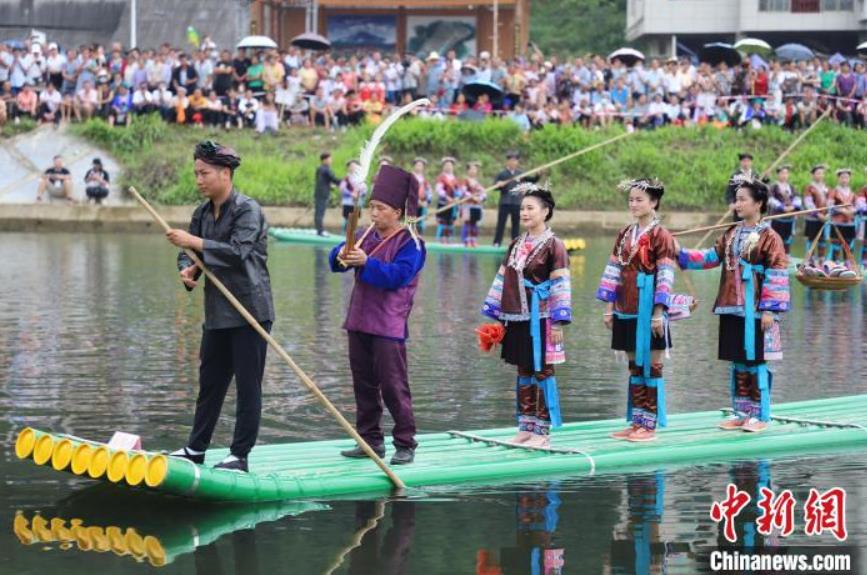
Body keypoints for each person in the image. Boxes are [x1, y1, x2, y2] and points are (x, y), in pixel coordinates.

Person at [167, 141, 274, 473]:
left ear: (225, 174)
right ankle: (196, 448)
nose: (198, 180)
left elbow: (235, 252)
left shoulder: (247, 210)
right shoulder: (201, 213)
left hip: (249, 311)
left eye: (205, 173)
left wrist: (192, 243)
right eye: (196, 173)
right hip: (217, 312)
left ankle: (239, 455)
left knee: (247, 386)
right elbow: (191, 253)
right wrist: (188, 268)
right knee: (210, 382)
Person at [329, 164, 427, 465]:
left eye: (380, 208)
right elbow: (336, 260)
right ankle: (370, 441)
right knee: (363, 385)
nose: (373, 213)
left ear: (397, 212)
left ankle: (405, 442)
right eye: (371, 207)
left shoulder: (413, 244)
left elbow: (396, 277)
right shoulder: (365, 234)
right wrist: (341, 255)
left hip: (388, 326)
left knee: (393, 386)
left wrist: (366, 262)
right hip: (358, 321)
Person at [677, 176, 789, 433]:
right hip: (730, 305)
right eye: (735, 200)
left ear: (758, 203)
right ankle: (742, 412)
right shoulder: (730, 233)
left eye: (742, 200)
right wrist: (680, 253)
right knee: (738, 361)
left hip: (757, 309)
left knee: (755, 361)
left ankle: (760, 415)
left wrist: (770, 309)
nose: (736, 205)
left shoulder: (770, 237)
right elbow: (709, 258)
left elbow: (778, 272)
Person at [481, 183, 571, 447]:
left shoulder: (555, 245)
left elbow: (560, 284)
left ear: (545, 212)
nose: (524, 213)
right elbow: (502, 278)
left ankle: (542, 431)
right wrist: (497, 315)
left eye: (530, 208)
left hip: (542, 316)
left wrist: (558, 320)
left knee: (542, 370)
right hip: (517, 316)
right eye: (522, 208)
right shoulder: (516, 244)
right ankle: (526, 425)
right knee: (523, 369)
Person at [597, 179, 677, 443]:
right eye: (630, 199)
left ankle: (649, 424)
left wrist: (658, 312)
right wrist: (610, 307)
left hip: (649, 307)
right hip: (625, 305)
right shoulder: (624, 234)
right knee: (634, 366)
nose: (633, 204)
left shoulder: (661, 235)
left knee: (651, 367)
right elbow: (613, 271)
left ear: (653, 202)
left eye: (639, 199)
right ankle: (636, 421)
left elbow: (665, 274)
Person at [492, 151, 540, 246]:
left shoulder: (520, 174)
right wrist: (499, 185)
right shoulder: (502, 174)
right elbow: (495, 187)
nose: (513, 162)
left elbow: (532, 180)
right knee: (501, 224)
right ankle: (497, 243)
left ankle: (515, 243)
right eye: (511, 160)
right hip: (505, 202)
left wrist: (538, 175)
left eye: (515, 160)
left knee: (516, 225)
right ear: (508, 162)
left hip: (517, 203)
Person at [767, 165, 802, 254]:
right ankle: (774, 259)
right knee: (775, 239)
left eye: (786, 173)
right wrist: (782, 207)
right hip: (777, 217)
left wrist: (793, 207)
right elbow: (770, 199)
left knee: (787, 240)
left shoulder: (791, 187)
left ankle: (786, 258)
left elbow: (798, 198)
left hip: (789, 218)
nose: (784, 175)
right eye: (782, 173)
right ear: (778, 174)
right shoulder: (773, 186)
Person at [826, 168, 857, 262]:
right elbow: (830, 206)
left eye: (847, 178)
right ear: (838, 179)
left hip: (849, 223)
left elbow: (857, 206)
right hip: (837, 223)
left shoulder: (852, 193)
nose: (844, 180)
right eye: (842, 177)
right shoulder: (833, 192)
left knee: (848, 245)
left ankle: (847, 266)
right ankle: (833, 264)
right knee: (835, 246)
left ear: (849, 179)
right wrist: (842, 210)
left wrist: (853, 210)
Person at [803, 164, 829, 262]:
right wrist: (818, 215)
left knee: (822, 241)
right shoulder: (809, 188)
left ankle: (822, 261)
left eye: (822, 173)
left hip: (824, 219)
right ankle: (810, 261)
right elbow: (808, 203)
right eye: (818, 173)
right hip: (813, 219)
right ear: (813, 175)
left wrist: (828, 214)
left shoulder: (827, 188)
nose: (820, 175)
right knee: (811, 240)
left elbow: (830, 202)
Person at [460, 161, 486, 247]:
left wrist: (480, 198)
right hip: (468, 205)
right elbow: (463, 191)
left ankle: (473, 240)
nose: (473, 171)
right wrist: (472, 197)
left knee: (474, 223)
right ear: (468, 171)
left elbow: (484, 193)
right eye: (471, 169)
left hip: (476, 206)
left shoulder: (478, 183)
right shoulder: (465, 181)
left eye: (475, 169)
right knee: (468, 222)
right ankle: (466, 241)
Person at [314, 152, 341, 236]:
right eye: (330, 159)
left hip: (319, 193)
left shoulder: (320, 169)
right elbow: (334, 179)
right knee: (320, 213)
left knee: (318, 212)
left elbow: (324, 181)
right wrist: (346, 182)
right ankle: (320, 231)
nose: (331, 161)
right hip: (322, 194)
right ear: (324, 160)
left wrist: (330, 186)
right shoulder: (325, 169)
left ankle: (319, 230)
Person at [435, 157, 461, 243]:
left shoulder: (455, 179)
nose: (448, 167)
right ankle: (441, 240)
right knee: (443, 221)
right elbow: (439, 190)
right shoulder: (441, 178)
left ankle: (449, 239)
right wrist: (447, 198)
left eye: (450, 165)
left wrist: (456, 198)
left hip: (453, 204)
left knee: (450, 222)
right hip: (443, 203)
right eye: (447, 165)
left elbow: (459, 191)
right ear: (443, 167)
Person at [725, 152, 756, 222]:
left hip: (752, 207)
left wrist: (766, 179)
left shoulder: (755, 175)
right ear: (741, 162)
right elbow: (729, 192)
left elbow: (761, 187)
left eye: (748, 161)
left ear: (751, 162)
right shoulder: (735, 176)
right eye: (744, 161)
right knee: (739, 226)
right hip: (739, 206)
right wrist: (731, 203)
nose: (746, 163)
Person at [339, 159, 367, 228]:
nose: (353, 168)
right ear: (348, 168)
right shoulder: (346, 178)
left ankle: (352, 237)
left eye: (355, 166)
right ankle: (343, 236)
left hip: (357, 203)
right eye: (351, 166)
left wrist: (358, 194)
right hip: (348, 202)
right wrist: (351, 194)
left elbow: (364, 190)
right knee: (345, 220)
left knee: (355, 221)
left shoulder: (361, 178)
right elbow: (342, 188)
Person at [411, 157, 432, 234]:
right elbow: (409, 191)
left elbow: (429, 191)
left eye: (421, 166)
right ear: (414, 166)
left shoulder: (425, 180)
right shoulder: (410, 177)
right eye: (418, 165)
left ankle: (419, 238)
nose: (419, 167)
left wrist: (427, 201)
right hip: (412, 204)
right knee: (412, 222)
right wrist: (417, 200)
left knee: (420, 223)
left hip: (422, 204)